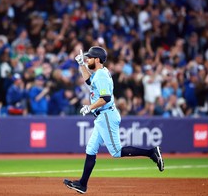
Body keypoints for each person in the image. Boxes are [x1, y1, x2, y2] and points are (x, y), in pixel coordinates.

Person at [63, 46, 164, 194]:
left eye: (89, 57)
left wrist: (90, 107)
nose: (87, 59)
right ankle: (82, 184)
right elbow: (89, 81)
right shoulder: (99, 73)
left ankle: (152, 153)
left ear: (97, 59)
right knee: (91, 149)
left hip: (106, 115)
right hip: (103, 116)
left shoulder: (101, 75)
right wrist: (81, 65)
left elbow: (106, 98)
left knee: (116, 151)